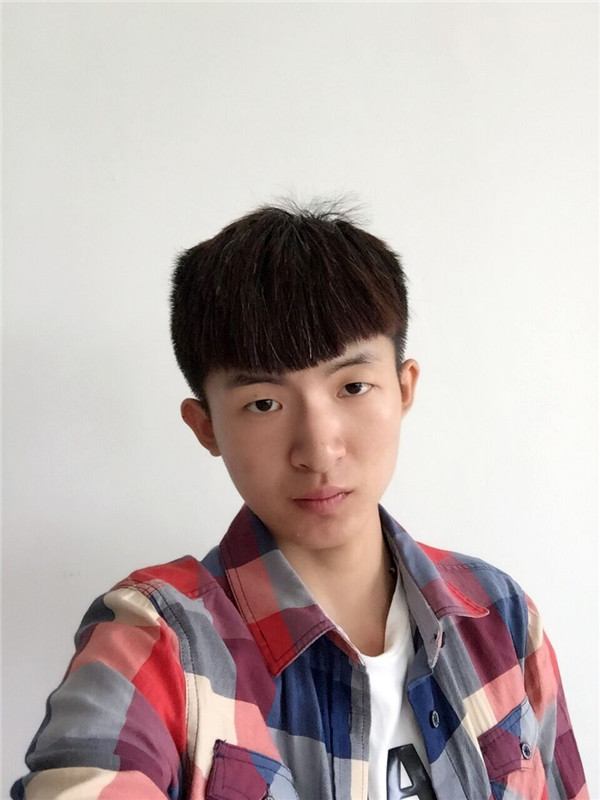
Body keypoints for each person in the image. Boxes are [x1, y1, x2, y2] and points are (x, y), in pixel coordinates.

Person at [12, 203, 588, 800]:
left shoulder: (499, 615)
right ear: (205, 426)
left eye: (353, 386)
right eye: (264, 403)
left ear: (403, 389)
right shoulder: (157, 640)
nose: (318, 449)